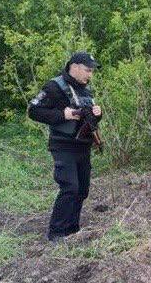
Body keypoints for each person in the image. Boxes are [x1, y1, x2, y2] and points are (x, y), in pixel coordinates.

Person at [27, 51, 103, 241]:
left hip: (83, 146)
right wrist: (63, 115)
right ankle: (56, 233)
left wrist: (97, 114)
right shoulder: (54, 87)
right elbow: (33, 110)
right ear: (74, 67)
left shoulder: (86, 90)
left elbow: (89, 121)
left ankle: (72, 229)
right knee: (70, 187)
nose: (90, 75)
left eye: (92, 71)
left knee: (82, 190)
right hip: (63, 146)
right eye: (87, 70)